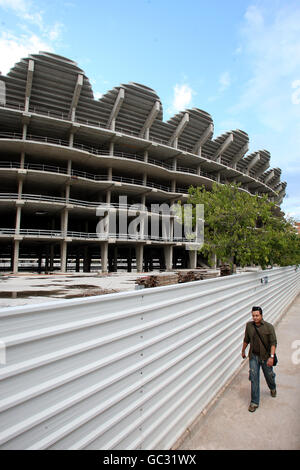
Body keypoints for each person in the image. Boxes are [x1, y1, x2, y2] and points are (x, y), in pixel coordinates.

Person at [241, 306, 277, 412]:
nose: (255, 318)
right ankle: (254, 402)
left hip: (266, 357)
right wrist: (243, 350)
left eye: (257, 315)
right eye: (253, 316)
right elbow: (246, 339)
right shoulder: (249, 326)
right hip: (254, 356)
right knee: (254, 378)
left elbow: (273, 343)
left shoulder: (269, 327)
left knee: (269, 375)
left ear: (261, 315)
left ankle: (272, 387)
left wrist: (271, 357)